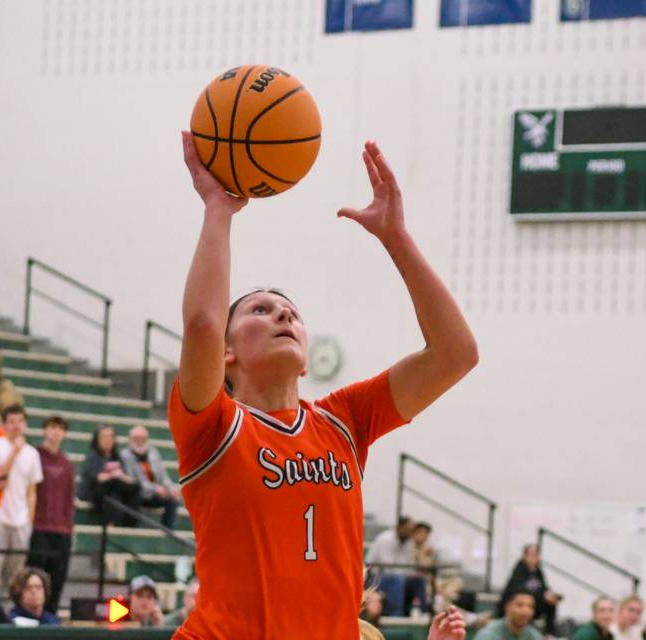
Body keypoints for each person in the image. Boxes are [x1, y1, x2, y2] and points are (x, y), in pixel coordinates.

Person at [168, 132, 478, 639]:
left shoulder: (345, 419)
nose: (283, 312)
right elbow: (201, 323)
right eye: (259, 309)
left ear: (307, 363)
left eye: (290, 310)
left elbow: (456, 354)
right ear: (226, 356)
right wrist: (218, 209)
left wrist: (395, 237)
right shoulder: (211, 423)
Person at [0, 405, 43, 590]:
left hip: (21, 520)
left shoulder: (32, 453)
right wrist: (14, 453)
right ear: (4, 424)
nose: (16, 426)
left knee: (16, 575)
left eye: (20, 421)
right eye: (11, 421)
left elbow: (32, 491)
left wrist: (29, 519)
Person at [26, 416, 74, 613]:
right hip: (39, 527)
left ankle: (50, 616)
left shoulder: (67, 463)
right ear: (44, 430)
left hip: (62, 530)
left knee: (58, 576)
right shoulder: (34, 456)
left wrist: (69, 526)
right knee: (35, 575)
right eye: (52, 427)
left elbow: (70, 497)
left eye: (59, 428)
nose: (55, 432)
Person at [78, 425, 140, 527]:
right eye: (104, 437)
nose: (108, 440)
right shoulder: (93, 455)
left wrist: (126, 478)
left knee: (136, 488)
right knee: (113, 493)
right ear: (97, 439)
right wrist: (113, 475)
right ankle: (110, 525)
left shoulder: (116, 456)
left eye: (111, 437)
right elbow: (94, 478)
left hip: (112, 489)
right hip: (94, 492)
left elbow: (124, 475)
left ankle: (130, 524)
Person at [120, 425, 180, 529]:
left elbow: (163, 476)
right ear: (131, 440)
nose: (140, 441)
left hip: (154, 494)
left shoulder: (153, 453)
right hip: (137, 493)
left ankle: (167, 531)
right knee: (134, 497)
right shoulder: (125, 455)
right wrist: (155, 488)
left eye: (143, 439)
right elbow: (133, 481)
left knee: (172, 500)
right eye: (137, 439)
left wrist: (171, 488)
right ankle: (130, 529)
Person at [365, 516, 428, 616]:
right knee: (396, 579)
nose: (410, 532)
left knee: (418, 580)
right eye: (408, 529)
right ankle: (396, 614)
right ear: (400, 527)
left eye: (412, 530)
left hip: (397, 576)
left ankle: (423, 612)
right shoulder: (385, 539)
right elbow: (388, 568)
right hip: (375, 578)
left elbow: (410, 567)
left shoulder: (409, 542)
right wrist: (405, 573)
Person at [499, 545, 562, 635]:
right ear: (525, 556)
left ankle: (550, 633)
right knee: (526, 604)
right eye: (532, 554)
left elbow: (545, 588)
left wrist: (550, 595)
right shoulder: (519, 568)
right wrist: (542, 596)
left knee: (551, 603)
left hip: (534, 603)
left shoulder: (538, 571)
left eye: (537, 554)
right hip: (519, 603)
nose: (535, 557)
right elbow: (519, 590)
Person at [476, 591, 543, 640]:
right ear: (507, 608)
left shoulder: (535, 635)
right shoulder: (489, 634)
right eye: (520, 605)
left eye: (530, 607)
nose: (525, 611)